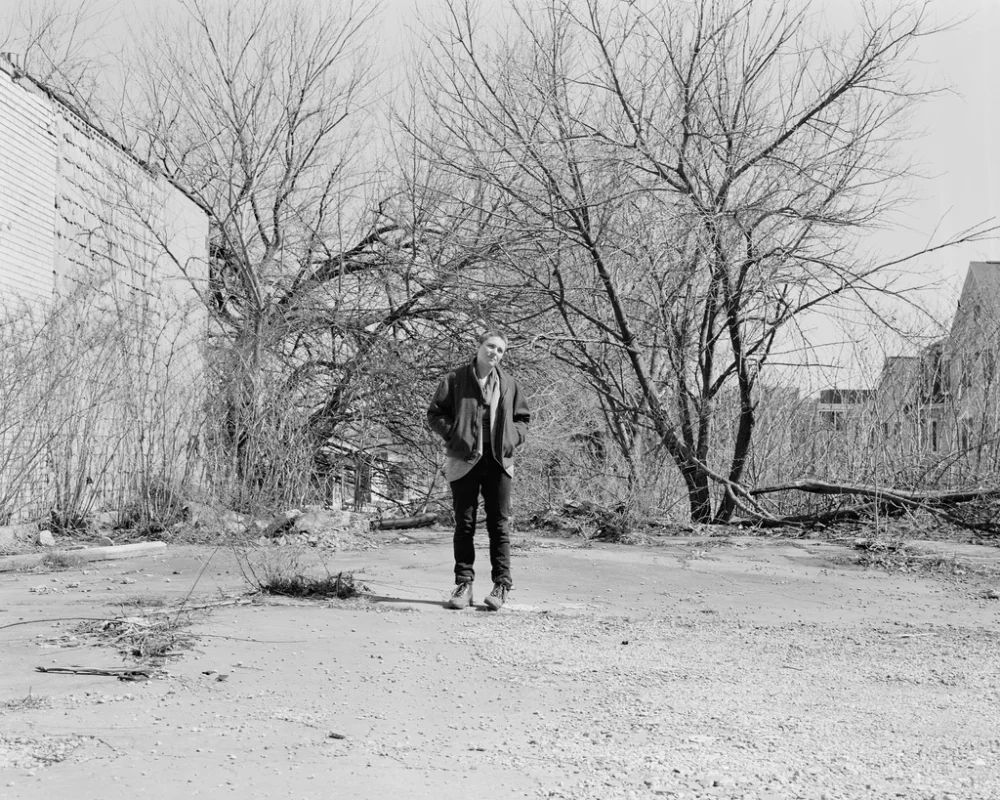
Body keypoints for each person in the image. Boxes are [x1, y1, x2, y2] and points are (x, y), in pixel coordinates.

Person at [427, 332, 530, 610]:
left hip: (499, 461)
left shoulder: (509, 383)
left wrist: (512, 438)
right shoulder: (456, 379)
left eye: (500, 349)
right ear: (479, 347)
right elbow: (435, 413)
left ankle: (501, 586)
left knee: (499, 525)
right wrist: (455, 435)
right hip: (464, 460)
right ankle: (464, 584)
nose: (494, 352)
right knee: (465, 524)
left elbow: (522, 419)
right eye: (490, 346)